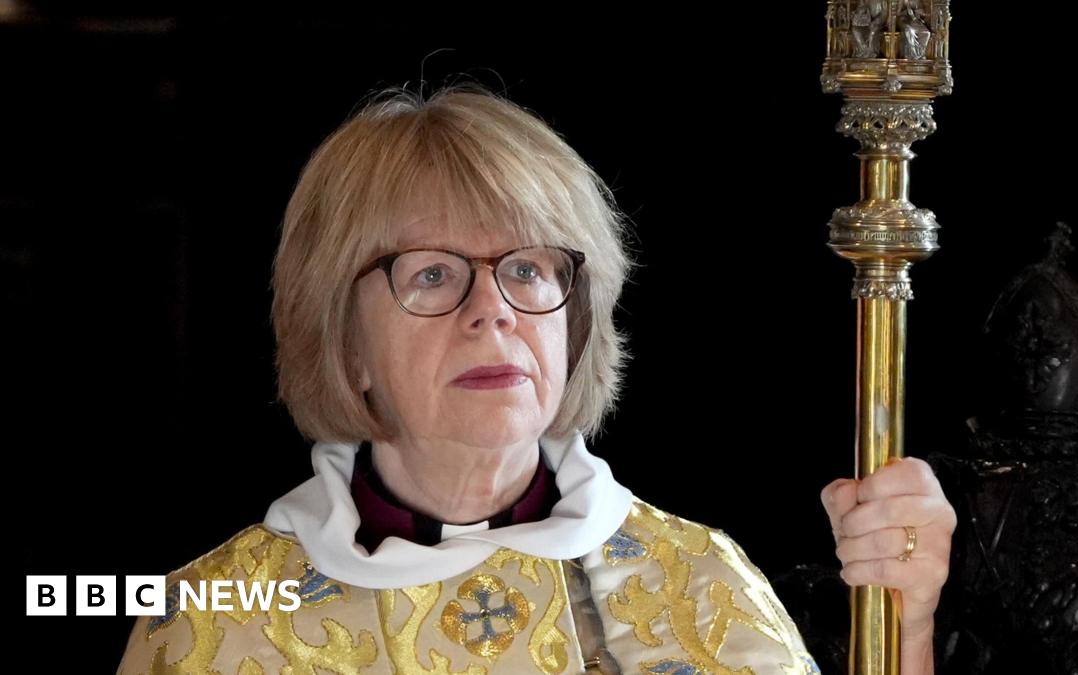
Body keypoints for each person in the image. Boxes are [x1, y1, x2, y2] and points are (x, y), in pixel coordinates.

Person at [118, 86, 956, 674]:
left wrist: (905, 624)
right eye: (433, 274)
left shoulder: (696, 580)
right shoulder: (219, 623)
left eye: (527, 268)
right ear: (345, 338)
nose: (495, 311)